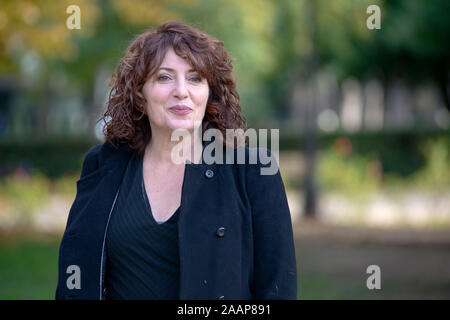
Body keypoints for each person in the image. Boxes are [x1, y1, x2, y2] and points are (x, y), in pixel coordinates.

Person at [55, 20, 297, 300]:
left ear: (210, 93)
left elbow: (277, 290)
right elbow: (76, 272)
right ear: (139, 94)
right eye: (164, 77)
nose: (181, 91)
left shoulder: (253, 170)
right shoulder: (103, 163)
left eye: (195, 78)